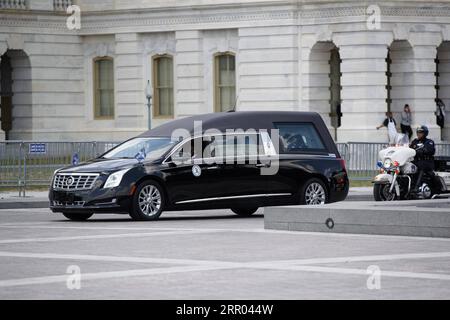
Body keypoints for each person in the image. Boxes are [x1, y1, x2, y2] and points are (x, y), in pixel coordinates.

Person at [409, 125, 435, 193]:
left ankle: (416, 187)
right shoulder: (415, 141)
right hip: (416, 161)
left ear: (425, 133)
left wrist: (423, 150)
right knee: (407, 166)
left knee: (421, 165)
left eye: (421, 132)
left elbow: (430, 150)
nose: (418, 134)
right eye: (418, 132)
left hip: (427, 162)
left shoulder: (429, 142)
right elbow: (409, 149)